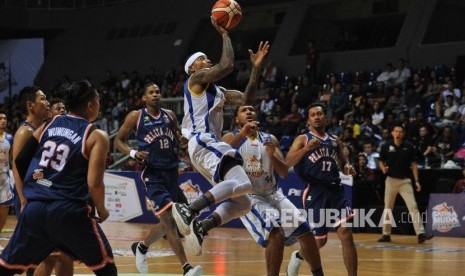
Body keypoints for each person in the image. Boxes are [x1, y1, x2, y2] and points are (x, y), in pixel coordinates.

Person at [172, 17, 270, 256]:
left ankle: (203, 226)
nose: (208, 60)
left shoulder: (219, 92)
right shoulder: (194, 81)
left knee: (243, 201)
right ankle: (189, 210)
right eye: (202, 59)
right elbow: (226, 66)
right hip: (203, 141)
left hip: (207, 147)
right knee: (244, 185)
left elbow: (246, 99)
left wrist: (256, 68)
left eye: (207, 58)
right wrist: (225, 34)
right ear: (193, 68)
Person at [0, 80, 117, 275]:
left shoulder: (50, 123)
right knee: (107, 268)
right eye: (98, 100)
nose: (99, 104)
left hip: (36, 208)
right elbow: (94, 183)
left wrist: (38, 184)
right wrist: (103, 210)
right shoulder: (96, 135)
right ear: (90, 105)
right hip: (68, 210)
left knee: (7, 268)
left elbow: (20, 161)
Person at [224, 105, 324, 276]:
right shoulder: (232, 136)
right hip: (250, 197)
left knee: (306, 233)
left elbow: (284, 172)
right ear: (236, 119)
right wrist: (242, 134)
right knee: (276, 235)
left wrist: (271, 155)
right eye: (243, 110)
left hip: (274, 194)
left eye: (251, 109)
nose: (249, 112)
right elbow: (221, 157)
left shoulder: (270, 139)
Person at [114, 82, 201, 276]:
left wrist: (183, 142)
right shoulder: (136, 116)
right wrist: (133, 152)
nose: (156, 94)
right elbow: (117, 141)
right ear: (144, 98)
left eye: (158, 92)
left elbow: (178, 138)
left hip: (171, 173)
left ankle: (142, 247)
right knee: (170, 220)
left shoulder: (169, 116)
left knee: (180, 219)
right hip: (152, 174)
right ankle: (187, 268)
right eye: (151, 92)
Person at [285, 102, 358, 276]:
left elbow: (343, 164)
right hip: (315, 192)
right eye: (313, 115)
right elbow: (287, 163)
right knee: (320, 241)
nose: (317, 117)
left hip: (336, 191)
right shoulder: (303, 139)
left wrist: (348, 168)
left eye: (319, 114)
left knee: (346, 234)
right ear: (309, 119)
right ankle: (298, 256)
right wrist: (306, 149)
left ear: (325, 117)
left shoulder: (335, 140)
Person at [32, 97, 75, 276]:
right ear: (50, 113)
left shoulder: (71, 137)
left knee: (66, 255)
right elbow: (33, 174)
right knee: (49, 256)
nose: (63, 110)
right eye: (59, 108)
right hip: (47, 200)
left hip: (66, 202)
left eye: (65, 107)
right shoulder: (42, 134)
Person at [377, 124, 433, 244]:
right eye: (396, 131)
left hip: (405, 181)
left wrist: (416, 181)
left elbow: (413, 165)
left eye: (400, 131)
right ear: (392, 133)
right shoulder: (386, 146)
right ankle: (386, 234)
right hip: (391, 181)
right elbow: (380, 160)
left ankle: (421, 234)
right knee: (388, 208)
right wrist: (383, 169)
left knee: (413, 206)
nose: (398, 133)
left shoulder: (408, 146)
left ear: (403, 134)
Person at [0, 110, 14, 235]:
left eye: (4, 118)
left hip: (4, 177)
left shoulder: (10, 138)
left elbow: (12, 158)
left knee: (5, 207)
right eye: (0, 118)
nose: (3, 121)